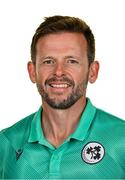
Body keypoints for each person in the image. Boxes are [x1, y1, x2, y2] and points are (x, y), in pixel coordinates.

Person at [0, 15, 125, 179]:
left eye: (71, 61)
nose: (59, 71)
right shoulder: (7, 142)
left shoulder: (121, 140)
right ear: (32, 72)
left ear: (92, 72)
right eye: (48, 61)